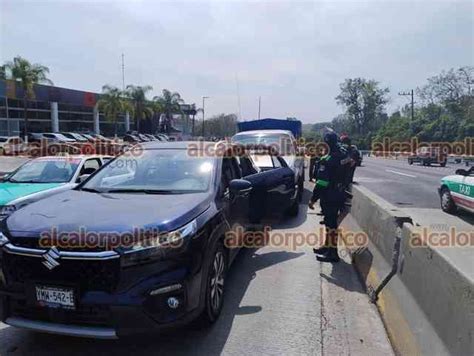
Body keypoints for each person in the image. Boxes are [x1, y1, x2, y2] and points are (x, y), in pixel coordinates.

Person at [308, 130, 353, 263]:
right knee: (330, 222)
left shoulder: (327, 160)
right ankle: (327, 247)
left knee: (331, 224)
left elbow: (322, 182)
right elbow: (350, 166)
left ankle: (333, 254)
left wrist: (313, 199)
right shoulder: (343, 155)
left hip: (330, 195)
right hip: (340, 193)